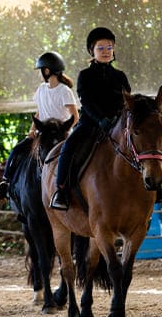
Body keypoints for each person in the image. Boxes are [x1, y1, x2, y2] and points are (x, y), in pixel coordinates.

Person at [50, 27, 131, 210]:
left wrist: (117, 118)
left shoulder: (120, 76)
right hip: (91, 122)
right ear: (92, 51)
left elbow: (126, 100)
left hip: (116, 123)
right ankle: (61, 191)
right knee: (69, 147)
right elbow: (85, 100)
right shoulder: (85, 75)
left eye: (109, 48)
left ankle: (154, 186)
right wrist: (101, 118)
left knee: (142, 141)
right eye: (100, 48)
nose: (105, 51)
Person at [0, 51, 79, 202]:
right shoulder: (41, 89)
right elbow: (39, 112)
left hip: (60, 133)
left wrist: (63, 131)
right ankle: (5, 182)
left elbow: (75, 116)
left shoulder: (64, 91)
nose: (40, 74)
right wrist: (32, 129)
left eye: (40, 71)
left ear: (46, 71)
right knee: (17, 150)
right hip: (43, 133)